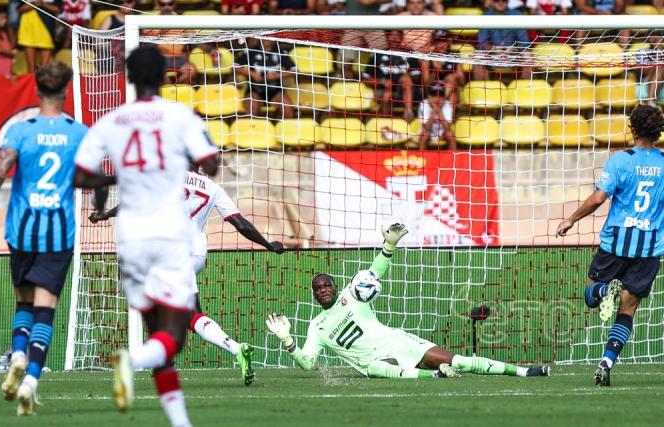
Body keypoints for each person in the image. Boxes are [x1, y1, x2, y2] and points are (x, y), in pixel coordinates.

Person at [73, 45, 220, 427]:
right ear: (164, 76)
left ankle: (179, 421)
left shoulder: (110, 121)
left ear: (129, 77)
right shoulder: (179, 116)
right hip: (170, 236)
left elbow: (81, 177)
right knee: (175, 331)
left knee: (157, 333)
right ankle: (132, 360)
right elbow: (212, 163)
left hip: (131, 238)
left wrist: (119, 177)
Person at [267, 223, 551, 380]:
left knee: (461, 361)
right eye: (318, 288)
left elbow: (374, 272)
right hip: (378, 362)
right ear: (314, 295)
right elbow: (307, 363)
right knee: (376, 368)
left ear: (336, 286)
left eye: (327, 284)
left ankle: (526, 371)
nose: (323, 289)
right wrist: (288, 342)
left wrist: (389, 246)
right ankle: (436, 377)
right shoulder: (317, 327)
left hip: (397, 342)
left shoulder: (351, 295)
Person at [0, 62, 87, 415]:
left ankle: (17, 353)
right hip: (58, 232)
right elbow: (92, 174)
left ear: (36, 90)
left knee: (24, 304)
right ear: (66, 90)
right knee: (45, 311)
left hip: (22, 230)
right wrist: (103, 205)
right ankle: (31, 381)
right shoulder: (79, 133)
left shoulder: (20, 131)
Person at [90, 167, 285, 385]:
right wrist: (267, 245)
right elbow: (240, 224)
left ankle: (234, 349)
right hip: (196, 253)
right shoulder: (213, 188)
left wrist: (105, 214)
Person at [556, 105, 664, 387]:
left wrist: (571, 219)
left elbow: (597, 199)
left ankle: (606, 289)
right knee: (626, 311)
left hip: (615, 243)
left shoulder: (620, 161)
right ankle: (606, 363)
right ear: (658, 132)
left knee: (591, 294)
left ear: (633, 128)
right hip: (648, 249)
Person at [233, 38, 297, 118]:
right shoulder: (251, 51)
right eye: (266, 38)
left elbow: (295, 70)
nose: (269, 41)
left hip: (275, 92)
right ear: (261, 39)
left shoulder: (280, 52)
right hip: (256, 91)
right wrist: (252, 74)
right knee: (252, 108)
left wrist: (276, 76)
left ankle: (282, 128)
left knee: (288, 109)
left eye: (271, 38)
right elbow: (234, 67)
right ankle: (252, 128)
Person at [17, 0, 62, 73]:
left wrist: (43, 4)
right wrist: (35, 4)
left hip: (47, 29)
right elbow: (19, 9)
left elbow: (59, 9)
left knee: (44, 69)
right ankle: (32, 83)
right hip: (28, 29)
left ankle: (42, 84)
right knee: (31, 68)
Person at [418, 81, 456, 149]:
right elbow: (427, 128)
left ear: (444, 97)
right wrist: (434, 109)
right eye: (434, 95)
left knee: (450, 134)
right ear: (429, 96)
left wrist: (439, 110)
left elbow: (447, 127)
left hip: (443, 132)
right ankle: (422, 158)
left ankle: (453, 159)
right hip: (429, 132)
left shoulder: (448, 104)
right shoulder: (423, 104)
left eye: (440, 95)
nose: (437, 98)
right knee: (424, 135)